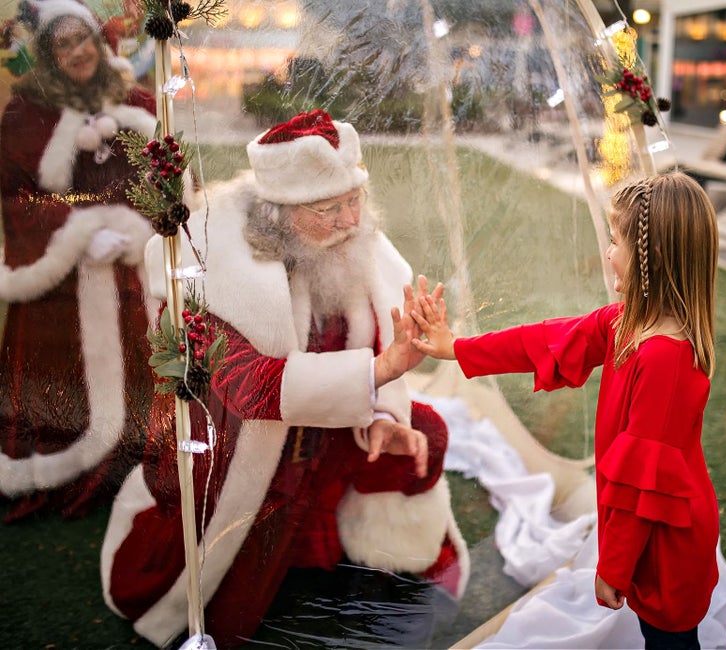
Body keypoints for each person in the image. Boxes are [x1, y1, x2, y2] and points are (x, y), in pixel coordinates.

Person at [100, 109, 470, 647]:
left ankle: (358, 549)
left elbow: (368, 339)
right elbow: (249, 388)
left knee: (424, 434)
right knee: (239, 602)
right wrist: (383, 368)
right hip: (239, 449)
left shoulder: (351, 248)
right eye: (329, 210)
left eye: (354, 201)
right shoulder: (206, 271)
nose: (351, 221)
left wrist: (386, 414)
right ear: (279, 215)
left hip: (327, 433)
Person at [412, 172, 721, 650]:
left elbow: (644, 485)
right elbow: (544, 339)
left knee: (670, 641)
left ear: (650, 258)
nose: (608, 253)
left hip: (667, 544)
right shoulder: (626, 325)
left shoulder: (665, 362)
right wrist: (457, 347)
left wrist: (613, 568)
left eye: (615, 241)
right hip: (651, 530)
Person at [0, 0, 157, 521]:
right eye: (62, 44)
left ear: (99, 37)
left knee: (134, 365)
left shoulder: (138, 101)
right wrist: (75, 231)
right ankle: (55, 471)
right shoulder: (25, 113)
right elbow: (14, 198)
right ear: (47, 54)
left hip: (128, 271)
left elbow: (166, 181)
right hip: (58, 284)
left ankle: (127, 463)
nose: (77, 52)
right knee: (58, 369)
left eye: (82, 38)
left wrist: (135, 230)